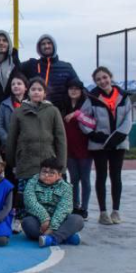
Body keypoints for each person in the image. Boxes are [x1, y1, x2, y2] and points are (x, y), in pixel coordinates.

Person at [80, 66, 132, 225]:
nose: (102, 81)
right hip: (99, 145)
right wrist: (94, 134)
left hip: (118, 144)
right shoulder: (92, 98)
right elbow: (82, 118)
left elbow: (128, 120)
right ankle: (103, 213)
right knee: (101, 176)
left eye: (104, 77)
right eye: (98, 79)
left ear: (110, 77)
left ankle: (116, 211)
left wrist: (117, 138)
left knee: (116, 176)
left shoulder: (124, 97)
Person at [5, 77, 67, 207]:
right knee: (26, 202)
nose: (36, 92)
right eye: (33, 89)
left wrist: (61, 166)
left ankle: (45, 226)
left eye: (40, 89)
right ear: (28, 91)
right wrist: (12, 163)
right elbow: (11, 139)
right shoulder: (19, 112)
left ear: (45, 93)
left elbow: (60, 139)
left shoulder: (53, 111)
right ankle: (26, 226)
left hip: (48, 164)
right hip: (25, 164)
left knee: (46, 202)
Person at [22, 158, 83, 247]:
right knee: (27, 223)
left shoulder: (66, 187)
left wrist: (52, 227)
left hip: (59, 221)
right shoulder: (32, 182)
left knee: (78, 220)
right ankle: (64, 237)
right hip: (39, 221)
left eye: (51, 173)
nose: (47, 175)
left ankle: (52, 239)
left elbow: (64, 208)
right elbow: (30, 202)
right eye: (44, 172)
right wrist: (45, 218)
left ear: (59, 175)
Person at [59, 78, 94, 218]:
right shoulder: (63, 106)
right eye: (71, 88)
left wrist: (77, 114)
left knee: (85, 178)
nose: (73, 91)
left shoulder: (86, 106)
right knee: (73, 179)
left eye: (77, 88)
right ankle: (74, 206)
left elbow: (92, 123)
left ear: (81, 91)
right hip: (69, 149)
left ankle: (84, 208)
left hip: (84, 148)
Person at [17, 34, 80, 107]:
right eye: (43, 44)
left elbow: (79, 88)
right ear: (39, 48)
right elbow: (15, 72)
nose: (46, 46)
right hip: (34, 111)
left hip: (59, 112)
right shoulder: (31, 65)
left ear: (54, 46)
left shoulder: (66, 67)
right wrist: (14, 59)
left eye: (49, 43)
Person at [0, 71, 28, 154]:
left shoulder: (31, 105)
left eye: (19, 83)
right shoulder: (4, 105)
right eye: (13, 84)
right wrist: (9, 140)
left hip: (28, 147)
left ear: (26, 88)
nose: (15, 86)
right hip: (9, 147)